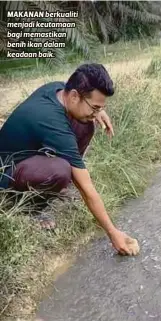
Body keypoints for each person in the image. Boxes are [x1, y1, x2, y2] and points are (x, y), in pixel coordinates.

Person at [0, 63, 139, 256]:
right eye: (95, 106)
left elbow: (84, 110)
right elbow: (87, 188)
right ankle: (31, 208)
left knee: (85, 123)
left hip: (29, 154)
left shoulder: (59, 89)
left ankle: (62, 180)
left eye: (100, 107)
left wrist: (97, 111)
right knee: (60, 170)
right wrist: (113, 232)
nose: (97, 112)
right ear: (74, 96)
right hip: (7, 172)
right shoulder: (52, 121)